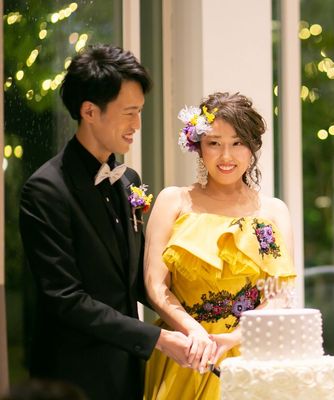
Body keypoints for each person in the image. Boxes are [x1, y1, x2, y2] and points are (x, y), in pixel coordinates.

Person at [18, 44, 194, 400]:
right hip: (72, 380)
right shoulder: (45, 190)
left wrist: (193, 318)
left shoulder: (128, 180)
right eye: (129, 113)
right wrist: (158, 339)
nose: (137, 125)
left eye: (140, 112)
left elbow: (138, 278)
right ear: (89, 111)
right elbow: (66, 299)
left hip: (128, 372)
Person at [143, 92, 297, 399]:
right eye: (214, 143)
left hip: (252, 356)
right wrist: (194, 331)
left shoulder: (272, 212)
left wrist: (234, 338)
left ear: (252, 147)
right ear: (198, 147)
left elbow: (280, 293)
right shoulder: (174, 201)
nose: (226, 156)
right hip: (187, 352)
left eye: (237, 143)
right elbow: (155, 285)